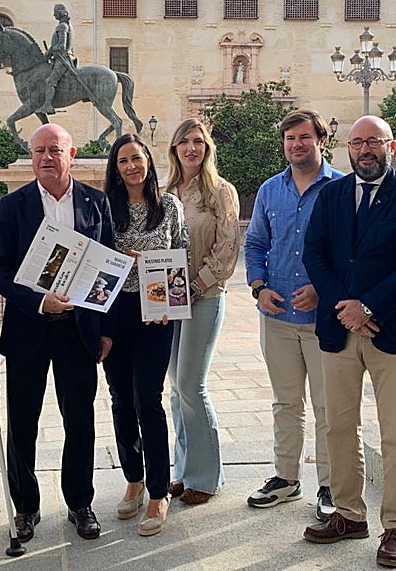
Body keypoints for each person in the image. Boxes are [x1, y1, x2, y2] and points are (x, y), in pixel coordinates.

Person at [0, 123, 115, 542]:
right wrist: (38, 301)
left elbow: (109, 265)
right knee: (22, 422)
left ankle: (80, 502)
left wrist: (105, 329)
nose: (46, 157)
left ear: (71, 154)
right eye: (38, 150)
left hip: (79, 331)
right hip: (29, 329)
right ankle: (25, 507)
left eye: (54, 150)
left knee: (80, 421)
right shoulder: (13, 205)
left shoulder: (97, 203)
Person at [302, 116, 396, 568]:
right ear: (347, 148)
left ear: (391, 145)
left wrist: (369, 307)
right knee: (338, 426)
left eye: (373, 142)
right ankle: (349, 514)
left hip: (390, 330)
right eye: (357, 143)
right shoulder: (331, 193)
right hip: (337, 328)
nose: (365, 150)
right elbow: (315, 253)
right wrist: (344, 306)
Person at [244, 110, 343, 519]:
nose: (296, 144)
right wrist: (259, 287)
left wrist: (324, 289)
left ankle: (330, 485)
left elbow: (350, 253)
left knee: (328, 406)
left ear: (321, 140)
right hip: (277, 317)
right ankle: (285, 478)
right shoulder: (270, 190)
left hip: (324, 320)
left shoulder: (341, 188)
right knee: (286, 403)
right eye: (289, 138)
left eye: (304, 137)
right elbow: (254, 245)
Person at [102, 134, 188, 536]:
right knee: (120, 399)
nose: (131, 166)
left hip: (157, 314)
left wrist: (166, 299)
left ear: (149, 162)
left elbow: (182, 254)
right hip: (116, 313)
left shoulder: (169, 205)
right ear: (115, 169)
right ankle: (133, 479)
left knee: (148, 400)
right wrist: (125, 259)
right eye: (123, 161)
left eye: (137, 158)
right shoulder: (106, 209)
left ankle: (158, 490)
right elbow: (96, 257)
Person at [164, 118, 239, 505]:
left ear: (207, 147)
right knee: (175, 390)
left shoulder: (220, 192)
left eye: (198, 141)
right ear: (174, 149)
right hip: (167, 303)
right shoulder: (164, 193)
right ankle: (183, 470)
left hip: (204, 298)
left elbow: (227, 249)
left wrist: (193, 288)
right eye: (184, 142)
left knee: (192, 385)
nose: (191, 148)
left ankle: (206, 478)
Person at [40, 3, 74, 114]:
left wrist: (51, 51)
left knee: (50, 81)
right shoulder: (66, 25)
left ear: (60, 13)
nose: (54, 15)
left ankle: (48, 106)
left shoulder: (62, 26)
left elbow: (62, 46)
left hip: (62, 60)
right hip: (62, 58)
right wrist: (48, 54)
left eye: (55, 12)